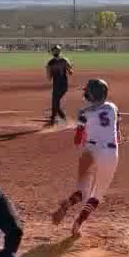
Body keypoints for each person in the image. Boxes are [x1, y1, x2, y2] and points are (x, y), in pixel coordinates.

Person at [51, 79, 120, 236]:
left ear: (92, 95)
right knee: (97, 194)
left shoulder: (84, 113)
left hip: (89, 151)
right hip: (109, 154)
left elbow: (78, 140)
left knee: (82, 191)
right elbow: (117, 134)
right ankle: (78, 224)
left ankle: (69, 203)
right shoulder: (113, 108)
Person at [45, 45, 73, 126]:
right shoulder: (64, 60)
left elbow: (49, 78)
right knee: (55, 102)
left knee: (55, 103)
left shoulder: (51, 63)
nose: (55, 52)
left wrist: (48, 70)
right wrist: (70, 67)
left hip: (60, 85)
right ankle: (55, 118)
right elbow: (71, 72)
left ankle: (60, 119)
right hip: (60, 85)